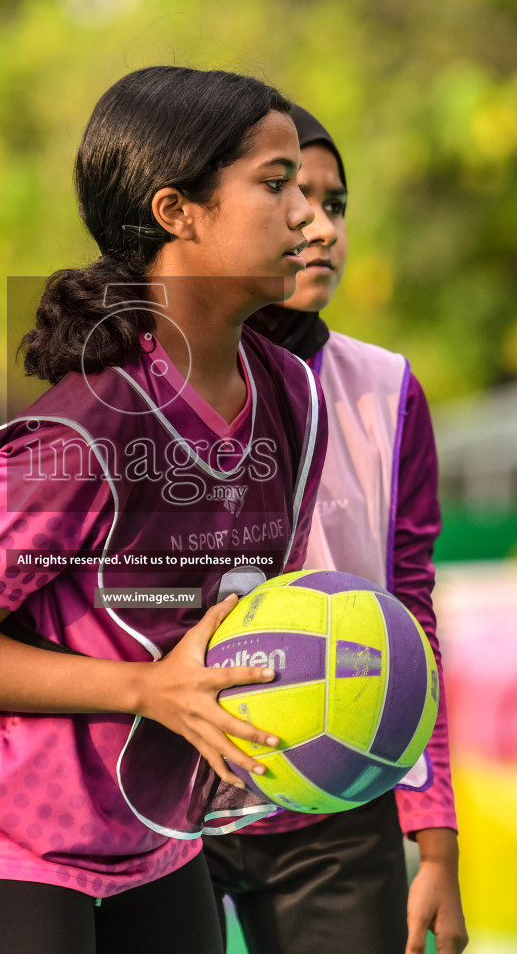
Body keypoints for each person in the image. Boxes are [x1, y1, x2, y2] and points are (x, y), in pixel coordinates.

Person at [0, 66, 329, 954]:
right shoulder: (83, 432)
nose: (310, 219)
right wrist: (145, 689)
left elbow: (242, 608)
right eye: (276, 187)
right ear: (178, 211)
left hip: (148, 834)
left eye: (313, 193)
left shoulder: (292, 395)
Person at [203, 106, 469, 954]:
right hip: (169, 797)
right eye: (287, 194)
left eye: (336, 202)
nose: (319, 227)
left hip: (337, 806)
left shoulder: (387, 390)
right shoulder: (143, 378)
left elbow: (412, 616)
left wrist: (436, 840)